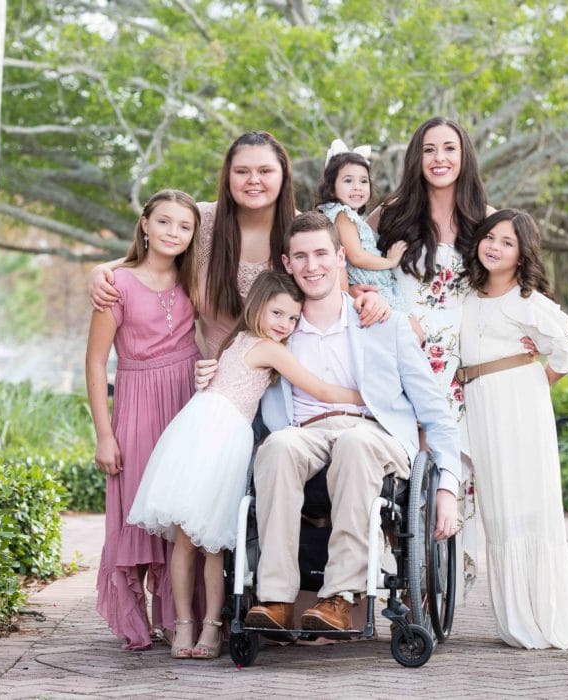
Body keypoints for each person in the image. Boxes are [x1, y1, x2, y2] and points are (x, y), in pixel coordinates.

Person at [196, 211, 463, 633]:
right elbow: (240, 374)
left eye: (321, 253)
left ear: (341, 257)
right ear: (286, 264)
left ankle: (341, 596)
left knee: (355, 443)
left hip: (374, 433)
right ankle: (275, 599)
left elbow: (434, 410)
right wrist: (209, 378)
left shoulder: (382, 322)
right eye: (300, 257)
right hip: (306, 434)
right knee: (278, 446)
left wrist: (447, 486)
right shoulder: (278, 330)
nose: (312, 265)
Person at [126, 271, 365, 659]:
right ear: (258, 305)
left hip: (207, 430)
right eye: (277, 313)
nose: (284, 325)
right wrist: (368, 395)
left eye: (292, 319)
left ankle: (204, 627)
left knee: (204, 542)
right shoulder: (264, 347)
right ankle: (192, 626)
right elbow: (318, 388)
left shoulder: (238, 340)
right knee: (197, 539)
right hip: (212, 436)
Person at [90, 131, 388, 359]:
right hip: (211, 382)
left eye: (265, 171)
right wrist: (106, 268)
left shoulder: (305, 232)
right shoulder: (201, 221)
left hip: (291, 384)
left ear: (283, 175)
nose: (253, 180)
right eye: (242, 171)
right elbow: (153, 255)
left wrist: (371, 301)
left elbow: (340, 299)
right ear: (228, 176)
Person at [365, 116, 496, 594]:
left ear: (464, 158)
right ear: (416, 158)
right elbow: (361, 272)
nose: (440, 158)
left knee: (443, 461)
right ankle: (392, 561)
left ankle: (436, 568)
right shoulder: (391, 215)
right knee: (399, 467)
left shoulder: (485, 220)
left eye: (449, 149)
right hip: (399, 350)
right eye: (429, 149)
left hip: (455, 362)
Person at [458, 208, 568, 649]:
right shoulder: (463, 293)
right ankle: (514, 616)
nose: (495, 246)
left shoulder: (527, 300)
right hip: (477, 405)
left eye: (508, 242)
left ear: (522, 254)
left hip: (519, 406)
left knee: (527, 503)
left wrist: (529, 383)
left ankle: (545, 616)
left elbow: (566, 357)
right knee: (498, 509)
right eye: (490, 237)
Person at [85, 190, 204, 651]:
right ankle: (137, 619)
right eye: (165, 223)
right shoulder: (116, 284)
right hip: (137, 403)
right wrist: (103, 434)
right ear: (145, 224)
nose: (173, 233)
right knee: (138, 511)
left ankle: (181, 618)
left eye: (184, 226)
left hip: (187, 400)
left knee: (184, 512)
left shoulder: (193, 278)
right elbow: (96, 363)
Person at [315, 139, 406, 309]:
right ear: (332, 187)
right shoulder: (342, 215)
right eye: (348, 181)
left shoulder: (344, 215)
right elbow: (356, 257)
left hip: (371, 287)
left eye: (363, 181)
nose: (357, 187)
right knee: (410, 330)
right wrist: (391, 261)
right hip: (371, 288)